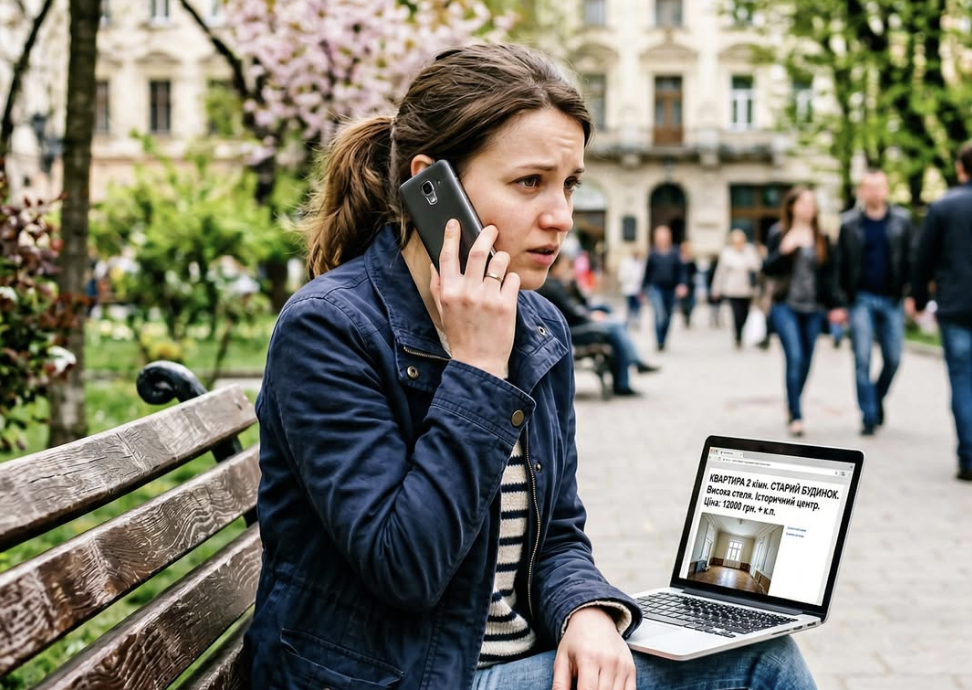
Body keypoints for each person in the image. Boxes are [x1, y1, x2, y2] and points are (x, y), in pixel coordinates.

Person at [245, 42, 818, 690]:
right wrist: (480, 368)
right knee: (760, 670)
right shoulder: (330, 328)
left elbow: (558, 535)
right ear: (433, 187)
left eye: (569, 184)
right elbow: (406, 566)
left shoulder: (537, 325)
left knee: (749, 647)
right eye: (530, 183)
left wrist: (587, 610)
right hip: (395, 677)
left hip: (508, 662)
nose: (561, 217)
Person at [831, 169, 915, 435]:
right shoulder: (849, 223)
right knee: (862, 359)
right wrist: (839, 303)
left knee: (893, 358)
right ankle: (868, 416)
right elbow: (839, 266)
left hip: (892, 299)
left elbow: (911, 260)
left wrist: (912, 294)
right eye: (869, 187)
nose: (874, 192)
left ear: (886, 189)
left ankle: (875, 399)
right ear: (862, 191)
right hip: (861, 300)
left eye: (879, 187)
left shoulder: (902, 221)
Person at [912, 140, 972, 482]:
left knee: (962, 383)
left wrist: (919, 299)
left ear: (960, 168)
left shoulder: (944, 206)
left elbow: (924, 259)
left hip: (956, 307)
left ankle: (968, 457)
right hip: (957, 307)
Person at [762, 186, 835, 437]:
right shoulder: (778, 232)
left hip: (814, 308)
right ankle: (796, 414)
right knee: (794, 357)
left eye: (812, 203)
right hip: (786, 305)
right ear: (792, 206)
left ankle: (792, 400)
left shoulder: (821, 236)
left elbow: (829, 274)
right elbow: (767, 269)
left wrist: (835, 306)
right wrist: (784, 250)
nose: (809, 207)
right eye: (804, 202)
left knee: (806, 361)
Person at [538, 252, 658, 396]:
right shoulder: (552, 285)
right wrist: (591, 316)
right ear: (555, 266)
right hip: (572, 329)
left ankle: (626, 375)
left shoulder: (559, 282)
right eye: (564, 265)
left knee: (611, 318)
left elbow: (581, 303)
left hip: (574, 323)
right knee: (615, 326)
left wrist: (573, 284)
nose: (567, 268)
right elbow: (573, 310)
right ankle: (632, 368)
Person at [711, 228, 763, 348]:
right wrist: (716, 289)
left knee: (745, 313)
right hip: (733, 289)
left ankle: (742, 331)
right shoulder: (727, 253)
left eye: (740, 241)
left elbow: (757, 267)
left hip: (748, 289)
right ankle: (738, 336)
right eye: (736, 242)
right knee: (736, 314)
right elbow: (720, 273)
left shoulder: (750, 251)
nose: (738, 244)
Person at [642, 225, 687, 351]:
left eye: (664, 236)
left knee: (668, 315)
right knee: (659, 313)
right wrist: (643, 289)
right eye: (660, 236)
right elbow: (647, 272)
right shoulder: (653, 253)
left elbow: (681, 271)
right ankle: (658, 340)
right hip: (656, 288)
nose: (662, 239)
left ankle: (663, 339)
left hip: (671, 289)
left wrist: (682, 284)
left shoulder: (675, 252)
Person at [618, 249, 645, 329]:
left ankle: (636, 321)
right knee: (629, 306)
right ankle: (629, 320)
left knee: (637, 306)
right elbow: (622, 275)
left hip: (638, 289)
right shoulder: (626, 262)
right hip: (628, 288)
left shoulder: (641, 263)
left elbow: (643, 275)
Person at [677, 240, 699, 328]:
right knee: (683, 303)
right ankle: (685, 317)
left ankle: (688, 317)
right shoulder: (678, 259)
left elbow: (695, 272)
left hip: (691, 285)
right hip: (681, 285)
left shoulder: (692, 260)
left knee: (691, 302)